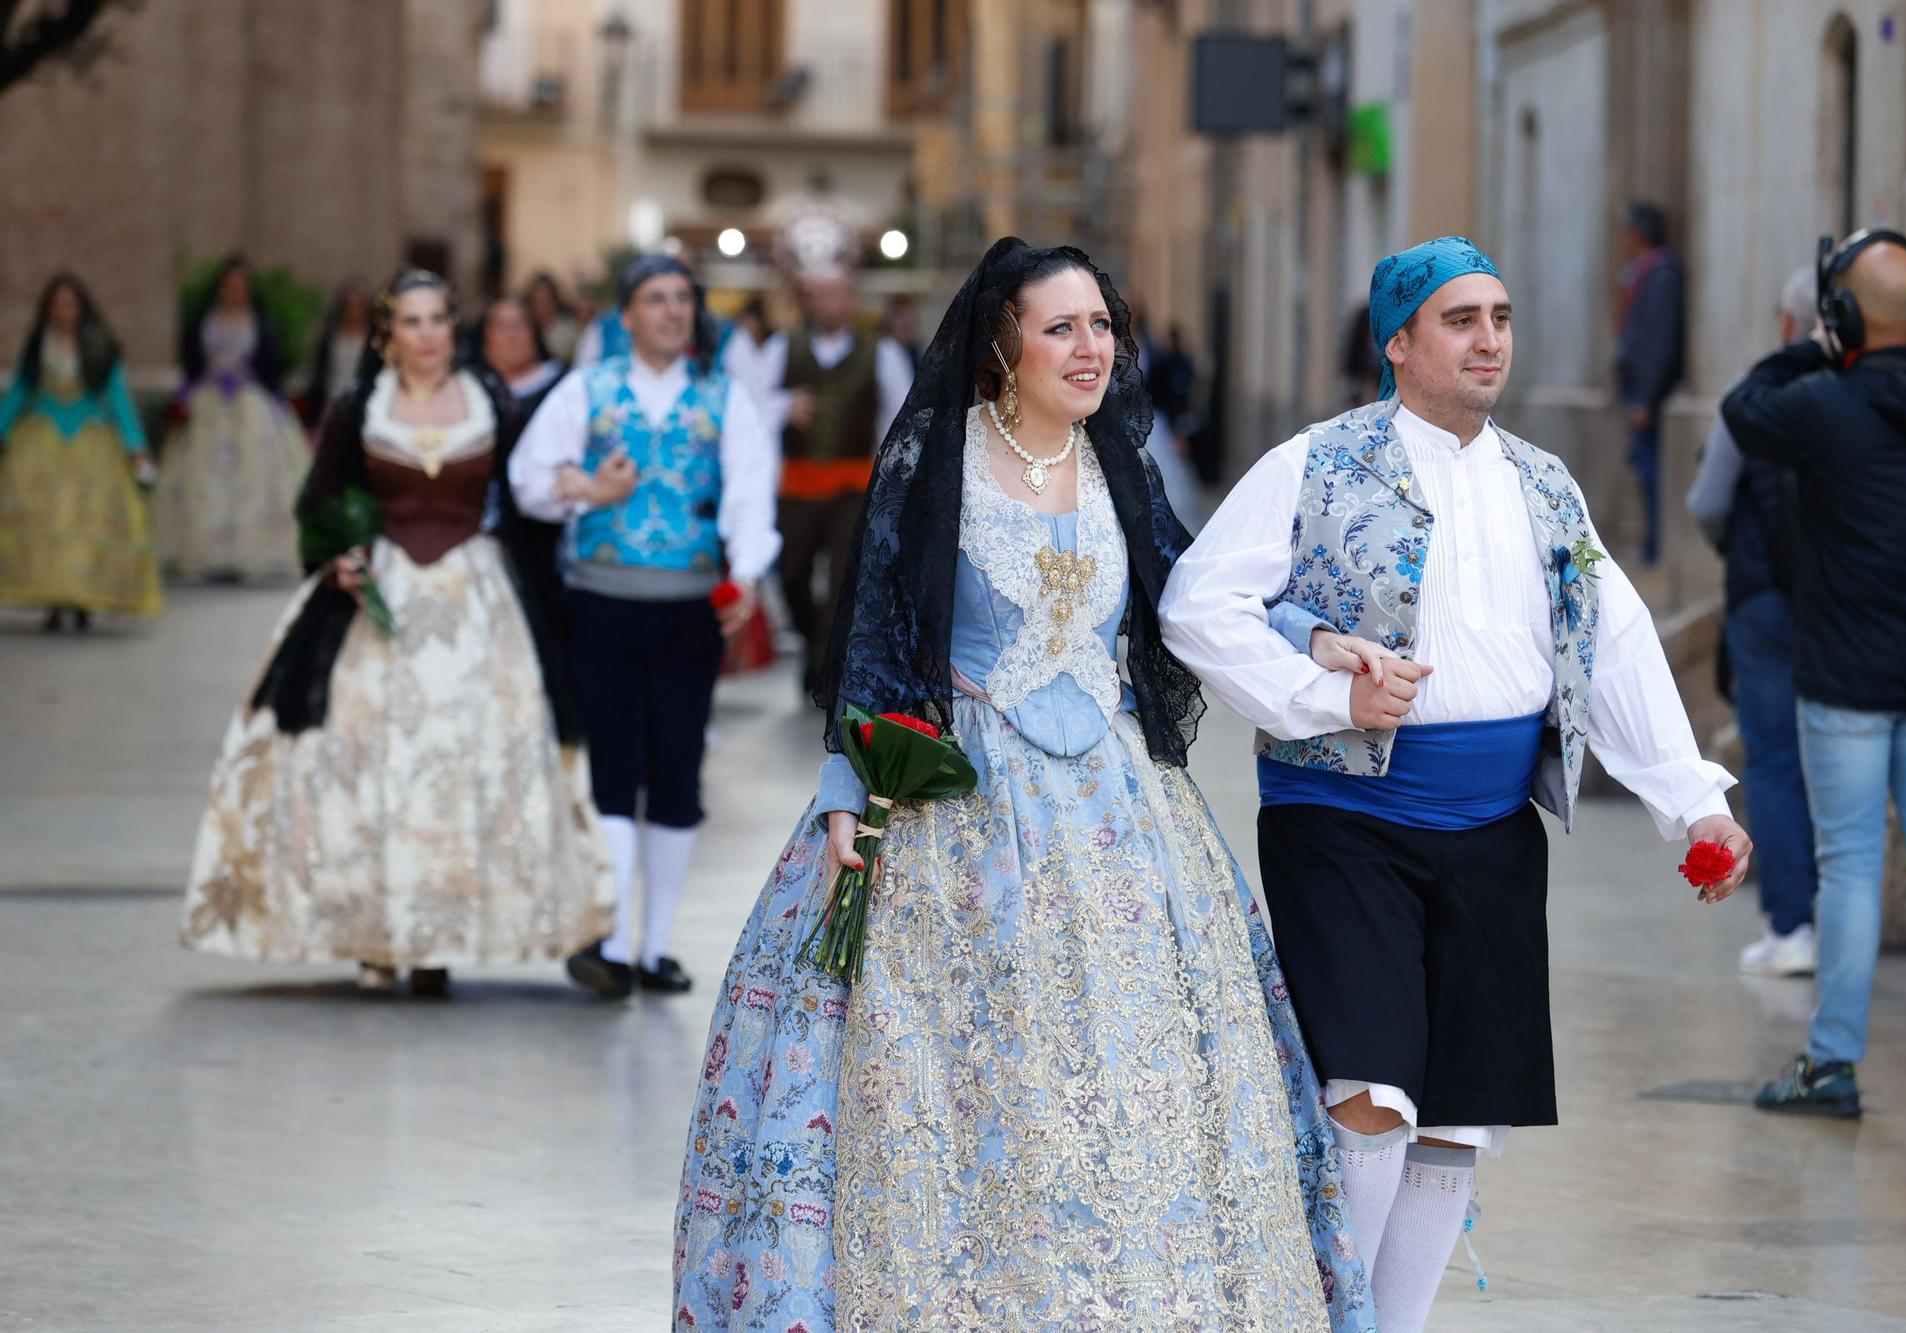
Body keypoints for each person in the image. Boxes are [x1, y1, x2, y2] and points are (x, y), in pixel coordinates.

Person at [669, 238, 1376, 1331]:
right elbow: (878, 634)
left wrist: (1316, 640)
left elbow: (1195, 589)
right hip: (965, 807)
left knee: (1131, 1060)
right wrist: (843, 788)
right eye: (1061, 327)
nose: (1089, 347)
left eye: (1100, 325)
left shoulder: (1121, 465)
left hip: (1121, 807)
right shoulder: (934, 462)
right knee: (971, 1072)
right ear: (1004, 342)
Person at [1160, 235, 1750, 1333]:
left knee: (1455, 1121)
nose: (1489, 341)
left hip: (1491, 830)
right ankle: (1329, 1318)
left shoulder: (1541, 483)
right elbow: (1197, 606)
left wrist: (1691, 801)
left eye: (1501, 318)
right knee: (1370, 1102)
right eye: (1458, 320)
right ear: (1397, 342)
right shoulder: (1313, 464)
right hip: (1340, 820)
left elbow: (1609, 641)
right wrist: (1320, 697)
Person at [179, 270, 613, 996]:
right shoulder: (359, 408)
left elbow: (533, 484)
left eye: (440, 318)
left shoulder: (491, 401)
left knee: (467, 758)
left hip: (475, 599)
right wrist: (338, 556)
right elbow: (316, 501)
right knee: (367, 759)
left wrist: (586, 487)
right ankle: (377, 936)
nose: (428, 333)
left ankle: (441, 937)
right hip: (382, 596)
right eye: (412, 321)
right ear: (387, 334)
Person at [1725, 230, 1906, 1119]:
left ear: (1844, 315)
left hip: (1844, 676)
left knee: (1849, 864)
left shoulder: (1824, 404)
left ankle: (1833, 1063)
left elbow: (1742, 405)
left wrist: (1820, 339)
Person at [511, 255, 778, 1000]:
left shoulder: (724, 399)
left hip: (691, 605)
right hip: (601, 598)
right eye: (655, 299)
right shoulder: (585, 390)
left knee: (676, 768)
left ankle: (656, 944)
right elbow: (529, 478)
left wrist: (748, 573)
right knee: (614, 765)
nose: (671, 311)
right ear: (625, 316)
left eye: (682, 300)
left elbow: (752, 494)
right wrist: (589, 489)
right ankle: (614, 940)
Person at [1686, 266, 1820, 978]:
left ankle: (1792, 925)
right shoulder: (1871, 394)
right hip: (1847, 608)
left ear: (1786, 322)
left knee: (1772, 759)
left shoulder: (1756, 398)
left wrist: (1737, 545)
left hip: (1766, 599)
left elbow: (1708, 501)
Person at [755, 269, 916, 692]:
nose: (826, 304)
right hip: (797, 484)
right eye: (819, 296)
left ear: (851, 301)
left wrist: (894, 486)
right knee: (790, 574)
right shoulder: (781, 348)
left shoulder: (880, 352)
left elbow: (897, 419)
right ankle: (813, 641)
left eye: (835, 295)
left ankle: (826, 664)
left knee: (844, 576)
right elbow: (750, 405)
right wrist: (785, 406)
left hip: (853, 484)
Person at [0, 272, 161, 629]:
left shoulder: (99, 346)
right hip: (43, 437)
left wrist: (136, 446)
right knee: (47, 520)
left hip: (90, 437)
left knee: (87, 521)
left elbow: (118, 398)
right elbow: (19, 393)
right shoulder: (38, 345)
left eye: (70, 304)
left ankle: (84, 596)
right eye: (58, 305)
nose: (64, 311)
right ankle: (56, 600)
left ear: (81, 307)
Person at [152, 254, 312, 581]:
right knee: (201, 477)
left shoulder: (259, 324)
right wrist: (185, 398)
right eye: (229, 286)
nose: (234, 292)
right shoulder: (205, 322)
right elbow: (193, 365)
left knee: (253, 476)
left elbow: (270, 368)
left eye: (240, 286)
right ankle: (204, 554)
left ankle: (249, 553)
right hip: (208, 405)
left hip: (249, 405)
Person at [1615, 201, 1686, 567]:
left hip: (1649, 396)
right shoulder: (1643, 272)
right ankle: (1650, 544)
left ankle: (1655, 548)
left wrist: (1645, 396)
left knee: (1651, 472)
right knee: (1641, 469)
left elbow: (1658, 340)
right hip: (1636, 390)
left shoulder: (1661, 274)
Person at [472, 295, 564, 417]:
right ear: (485, 335)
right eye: (501, 326)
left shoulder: (561, 384)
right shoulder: (470, 388)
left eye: (519, 325)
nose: (511, 336)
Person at [302, 280, 372, 432]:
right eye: (349, 307)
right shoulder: (332, 336)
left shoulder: (371, 339)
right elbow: (321, 370)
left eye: (357, 307)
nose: (353, 312)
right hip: (332, 399)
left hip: (359, 404)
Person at [524, 270, 581, 365]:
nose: (540, 308)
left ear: (554, 302)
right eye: (537, 302)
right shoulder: (524, 329)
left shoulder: (569, 331)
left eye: (545, 302)